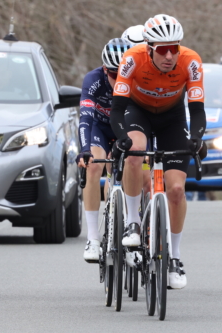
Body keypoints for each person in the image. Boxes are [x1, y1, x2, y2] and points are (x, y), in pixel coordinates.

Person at [110, 14, 207, 289]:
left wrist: (197, 138)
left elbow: (197, 112)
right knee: (136, 150)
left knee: (176, 190)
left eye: (173, 49)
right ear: (149, 47)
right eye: (162, 49)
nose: (168, 56)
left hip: (172, 117)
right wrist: (121, 138)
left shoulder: (191, 61)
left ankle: (174, 257)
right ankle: (132, 222)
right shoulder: (132, 58)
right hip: (138, 111)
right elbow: (117, 109)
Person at [77, 38, 137, 263]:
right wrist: (85, 150)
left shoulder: (138, 80)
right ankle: (93, 238)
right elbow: (85, 118)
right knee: (94, 166)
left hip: (125, 127)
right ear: (104, 69)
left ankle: (134, 228)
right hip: (99, 128)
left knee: (137, 168)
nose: (118, 80)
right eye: (113, 75)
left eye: (123, 75)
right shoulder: (93, 80)